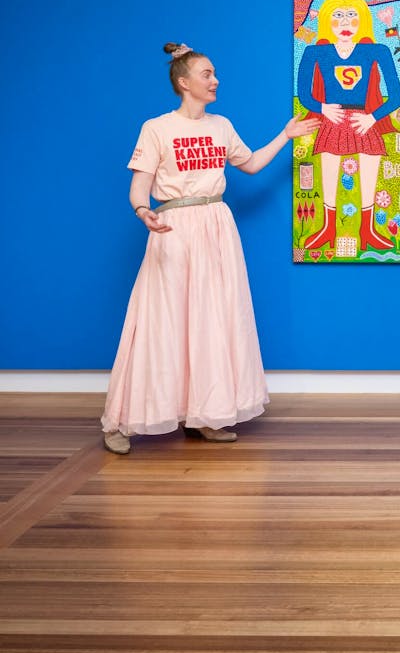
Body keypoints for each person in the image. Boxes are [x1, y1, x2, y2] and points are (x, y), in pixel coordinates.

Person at [101, 42, 319, 454]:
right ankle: (123, 421)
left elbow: (251, 164)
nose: (215, 80)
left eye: (215, 73)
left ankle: (207, 414)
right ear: (184, 82)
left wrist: (285, 135)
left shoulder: (221, 125)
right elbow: (139, 187)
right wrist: (143, 212)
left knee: (213, 321)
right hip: (174, 227)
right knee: (160, 322)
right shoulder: (157, 128)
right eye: (207, 74)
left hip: (217, 225)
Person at [297, 0, 400, 251]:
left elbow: (396, 94)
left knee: (368, 176)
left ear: (363, 21)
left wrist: (373, 118)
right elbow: (304, 93)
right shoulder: (314, 52)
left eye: (352, 16)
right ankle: (328, 229)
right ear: (326, 22)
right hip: (333, 121)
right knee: (330, 177)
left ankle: (368, 231)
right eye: (338, 16)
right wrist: (322, 109)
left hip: (364, 121)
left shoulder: (377, 51)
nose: (346, 23)